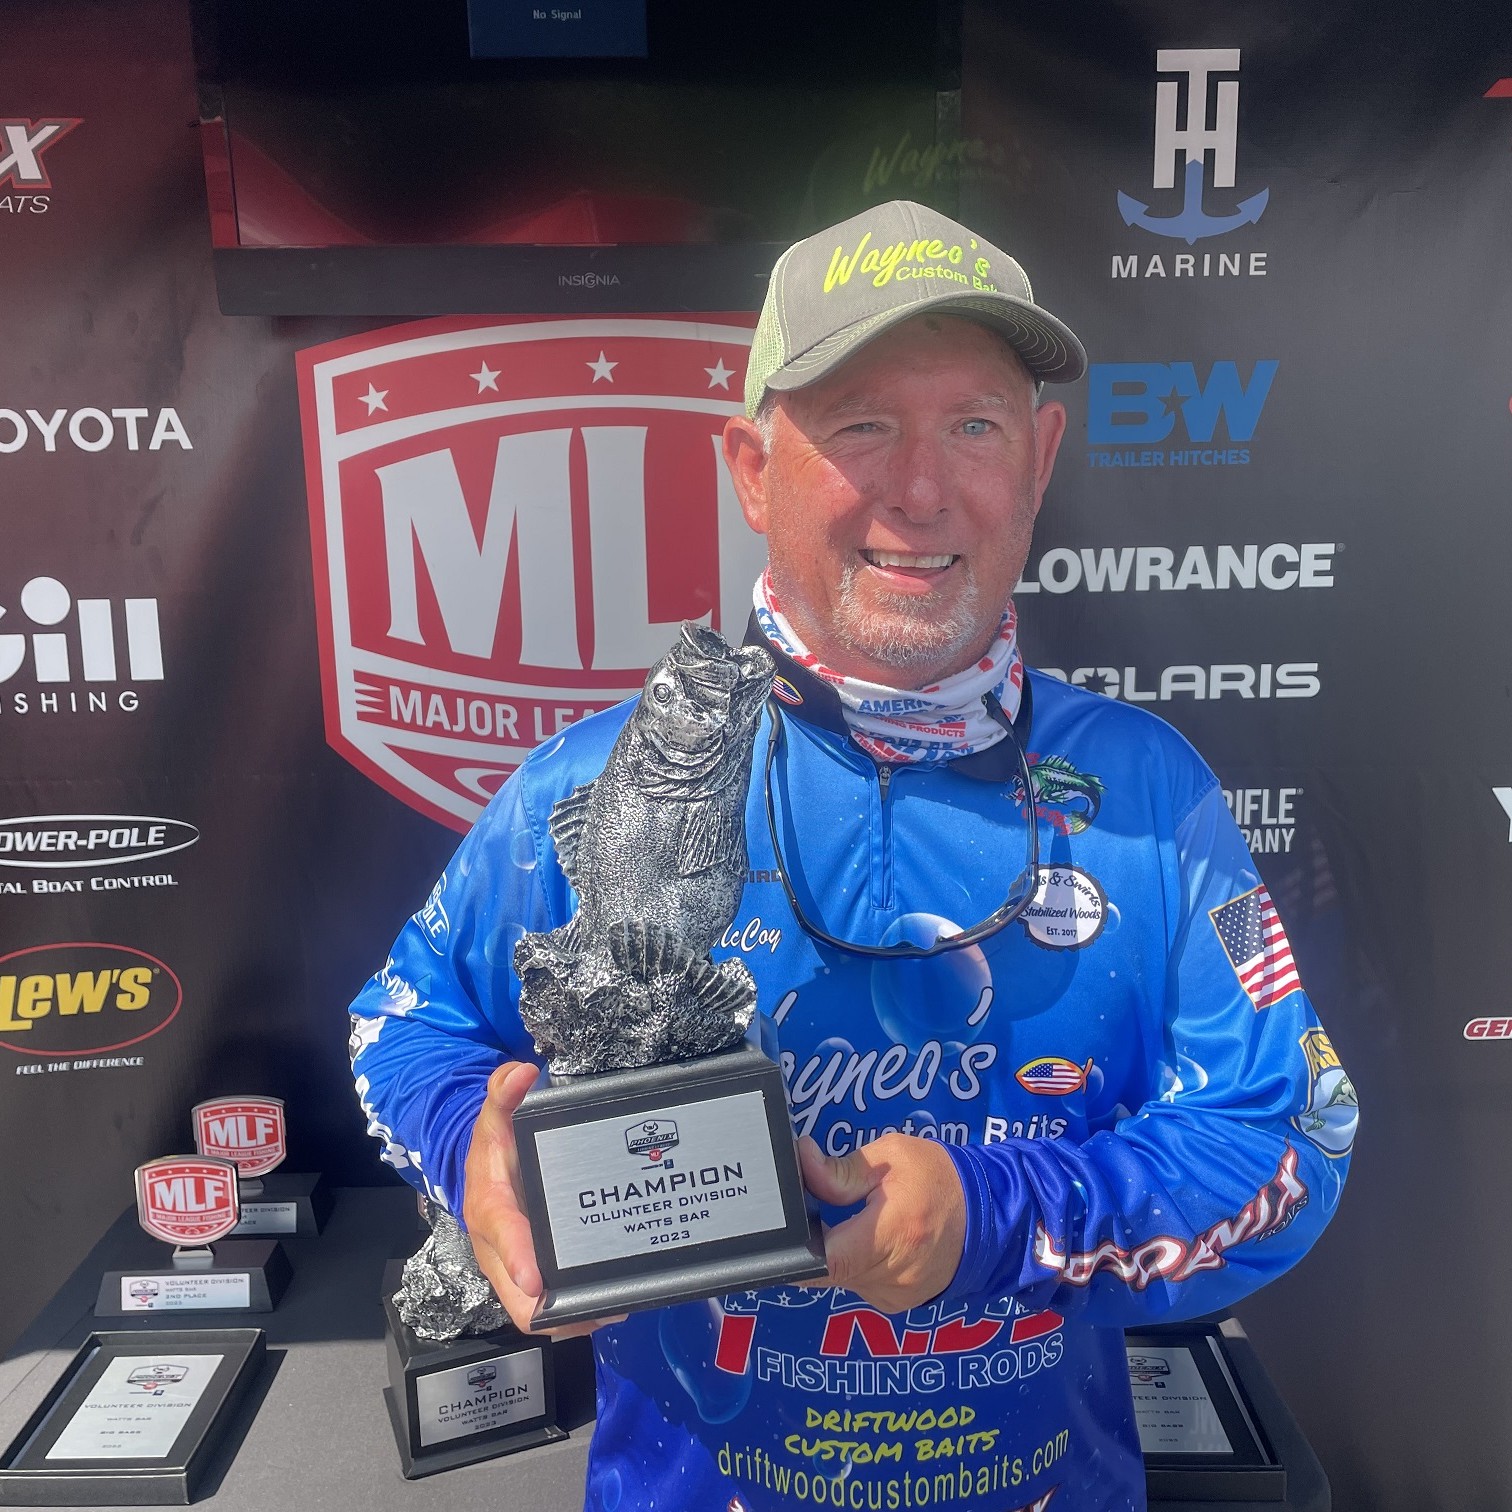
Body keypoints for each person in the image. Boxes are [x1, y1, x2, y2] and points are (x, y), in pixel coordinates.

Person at [349, 200, 1355, 1512]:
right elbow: (403, 1029)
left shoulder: (1149, 793)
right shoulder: (598, 784)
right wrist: (470, 1153)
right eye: (861, 424)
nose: (921, 491)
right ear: (752, 468)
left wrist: (996, 1218)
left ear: (1041, 459)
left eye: (975, 426)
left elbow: (1292, 1140)